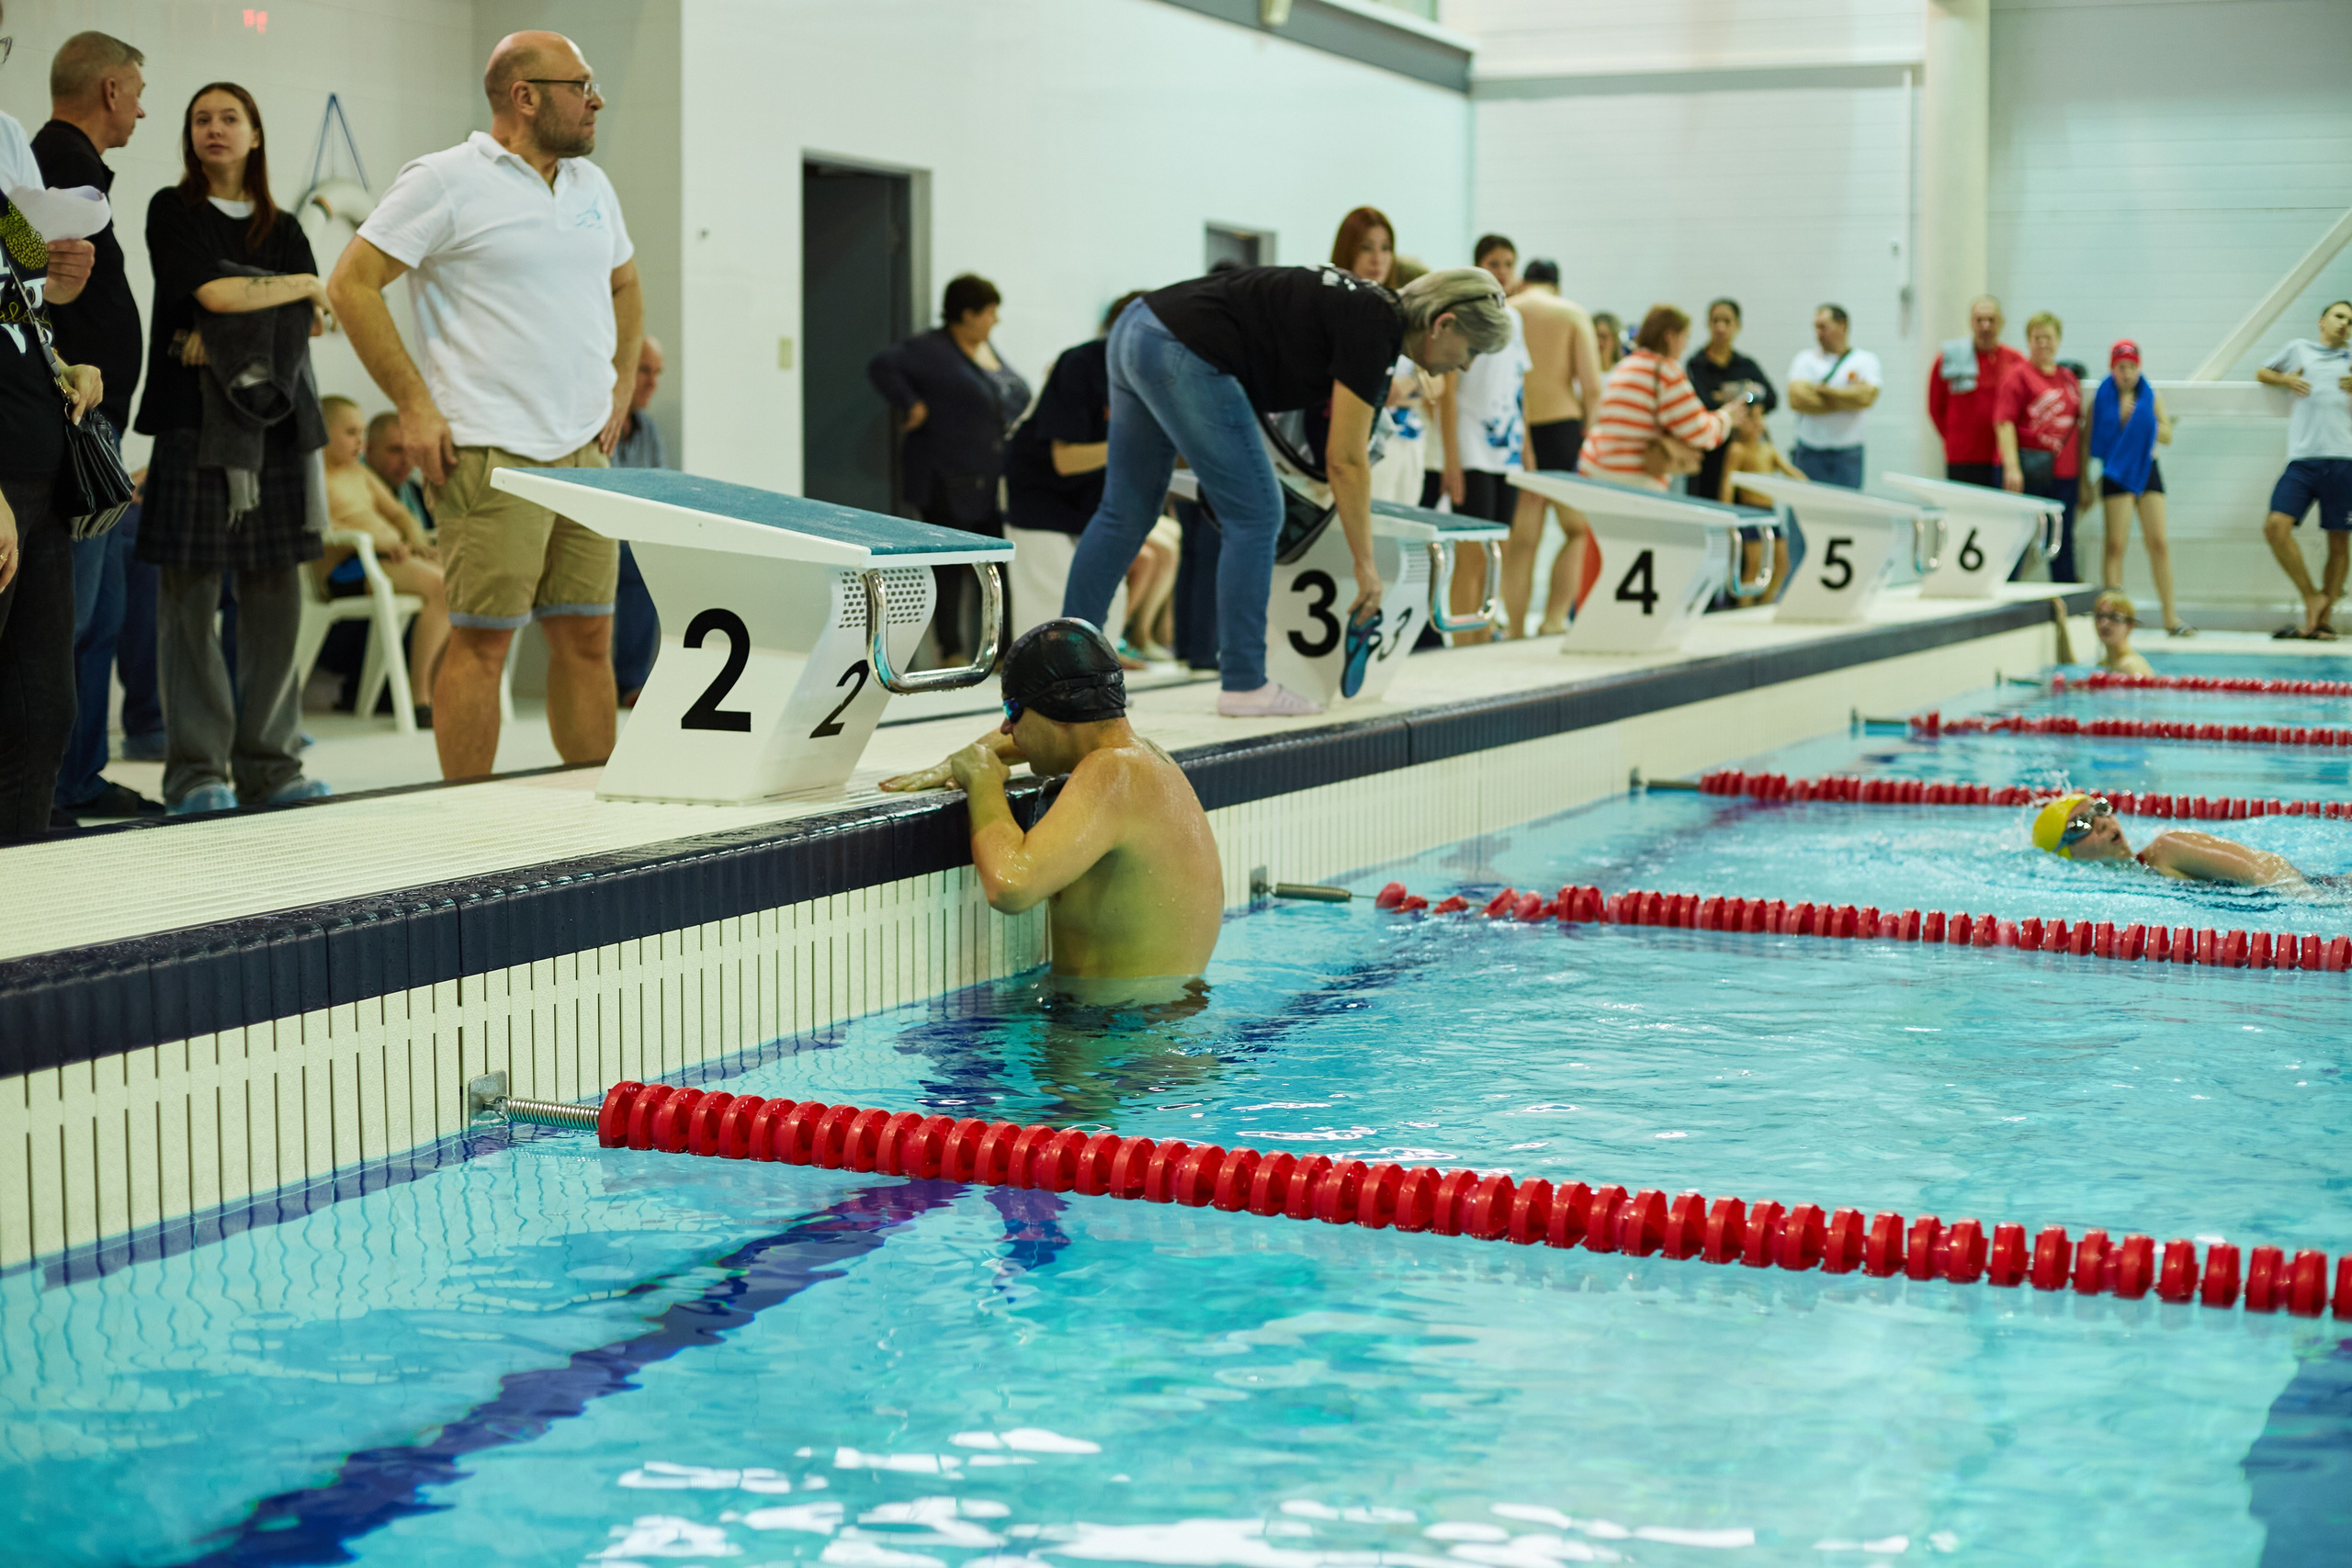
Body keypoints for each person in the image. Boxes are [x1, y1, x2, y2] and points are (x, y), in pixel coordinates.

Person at [329, 30, 642, 782]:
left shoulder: (592, 186)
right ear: (525, 97)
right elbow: (351, 285)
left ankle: (593, 814)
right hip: (491, 453)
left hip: (584, 453)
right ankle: (467, 824)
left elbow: (626, 285)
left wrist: (622, 384)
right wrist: (414, 405)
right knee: (483, 643)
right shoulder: (445, 180)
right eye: (580, 85)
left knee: (588, 640)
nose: (596, 100)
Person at [1058, 263, 1506, 716]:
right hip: (1182, 346)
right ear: (1443, 324)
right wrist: (1366, 565)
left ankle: (1069, 677)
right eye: (1471, 350)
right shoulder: (1376, 326)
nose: (1466, 364)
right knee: (1256, 514)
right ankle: (1244, 683)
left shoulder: (1364, 306)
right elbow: (1345, 460)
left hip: (1136, 326)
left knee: (1124, 512)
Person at [132, 82, 333, 816]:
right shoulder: (172, 209)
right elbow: (218, 296)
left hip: (275, 425)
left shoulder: (284, 226)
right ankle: (197, 772)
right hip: (193, 426)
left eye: (229, 118)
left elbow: (310, 325)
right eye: (200, 119)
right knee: (189, 600)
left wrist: (215, 335)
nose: (213, 129)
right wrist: (295, 287)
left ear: (256, 134)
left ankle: (272, 765)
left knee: (276, 598)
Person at [877, 619, 1223, 989]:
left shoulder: (1113, 772)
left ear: (1058, 711)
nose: (1006, 728)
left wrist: (982, 779)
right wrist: (966, 756)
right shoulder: (1145, 759)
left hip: (1116, 1024)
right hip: (1154, 1013)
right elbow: (1037, 736)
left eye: (1012, 709)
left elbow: (1011, 886)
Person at [34, 30, 158, 821]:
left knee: (100, 616)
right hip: (69, 425)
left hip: (97, 423)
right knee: (69, 621)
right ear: (111, 89)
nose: (142, 110)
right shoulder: (50, 161)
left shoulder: (70, 168)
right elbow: (33, 297)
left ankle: (78, 777)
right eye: (138, 93)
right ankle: (43, 790)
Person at [0, 0, 107, 844]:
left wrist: (62, 345)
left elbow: (19, 295)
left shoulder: (6, 134)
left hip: (37, 448)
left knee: (42, 706)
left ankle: (24, 876)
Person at [867, 273, 1030, 662]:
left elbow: (1013, 395)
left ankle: (1002, 650)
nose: (995, 320)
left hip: (987, 479)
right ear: (967, 314)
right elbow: (881, 366)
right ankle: (951, 649)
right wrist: (912, 404)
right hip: (944, 476)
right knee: (950, 566)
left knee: (996, 566)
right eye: (989, 312)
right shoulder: (929, 349)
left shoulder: (983, 349)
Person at [1004, 292, 1143, 644]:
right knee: (1049, 604)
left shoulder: (1150, 374)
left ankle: (1098, 670)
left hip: (1093, 502)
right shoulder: (1081, 364)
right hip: (1041, 497)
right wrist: (1136, 446)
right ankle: (1043, 675)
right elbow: (1065, 460)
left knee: (1112, 596)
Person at [317, 395, 447, 720]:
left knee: (461, 581)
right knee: (441, 586)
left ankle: (443, 689)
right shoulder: (314, 475)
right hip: (346, 568)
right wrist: (379, 543)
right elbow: (318, 529)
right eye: (350, 432)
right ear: (322, 432)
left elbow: (400, 513)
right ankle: (420, 697)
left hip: (385, 558)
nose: (359, 441)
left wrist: (416, 540)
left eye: (361, 432)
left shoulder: (358, 472)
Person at [1509, 257, 1606, 637]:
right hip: (1562, 429)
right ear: (1557, 286)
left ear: (1524, 281)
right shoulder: (1571, 313)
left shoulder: (1509, 311)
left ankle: (1515, 627)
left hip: (1520, 430)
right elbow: (1592, 387)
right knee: (1576, 531)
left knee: (1522, 540)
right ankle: (1553, 620)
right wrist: (1589, 437)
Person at [2254, 299, 2352, 639]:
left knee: (2339, 540)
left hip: (2343, 459)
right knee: (2275, 527)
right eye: (2339, 316)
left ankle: (2322, 621)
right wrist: (2285, 379)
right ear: (2322, 321)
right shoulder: (2299, 349)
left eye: (2350, 321)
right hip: (2302, 459)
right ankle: (2311, 595)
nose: (2344, 324)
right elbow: (2261, 372)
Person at [1578, 304, 1736, 493]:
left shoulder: (1625, 365)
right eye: (1685, 337)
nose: (1685, 345)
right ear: (1670, 337)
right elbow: (1700, 432)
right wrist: (1727, 418)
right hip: (1634, 479)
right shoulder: (1664, 371)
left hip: (1594, 470)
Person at [2088, 339, 2187, 634]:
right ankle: (2113, 619)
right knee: (2115, 546)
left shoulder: (2149, 396)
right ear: (2112, 369)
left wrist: (2143, 422)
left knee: (2159, 544)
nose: (2127, 373)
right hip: (2116, 470)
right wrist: (2119, 419)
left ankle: (2171, 618)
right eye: (2121, 367)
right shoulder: (2102, 398)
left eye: (2131, 367)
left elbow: (2167, 434)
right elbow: (2092, 441)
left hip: (2146, 468)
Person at [1437, 234, 1532, 529]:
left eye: (1509, 264)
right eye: (1494, 264)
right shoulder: (1463, 316)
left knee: (1501, 538)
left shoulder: (1515, 319)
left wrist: (1527, 451)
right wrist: (1451, 461)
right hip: (1472, 448)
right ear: (1478, 267)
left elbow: (1518, 390)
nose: (1502, 271)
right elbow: (1447, 394)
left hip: (1508, 450)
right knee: (1474, 540)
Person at [1994, 310, 2093, 581]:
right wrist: (2012, 467)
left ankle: (2064, 591)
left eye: (2048, 337)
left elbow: (2079, 428)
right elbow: (2004, 423)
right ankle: (2007, 590)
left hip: (2064, 473)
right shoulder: (2017, 376)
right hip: (2029, 469)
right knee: (2017, 535)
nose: (2043, 343)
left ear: (2058, 340)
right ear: (2029, 340)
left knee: (2063, 538)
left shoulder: (2068, 379)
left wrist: (2084, 478)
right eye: (2037, 338)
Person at [2033, 793, 2312, 888]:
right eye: (2081, 825)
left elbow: (2267, 867)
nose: (2103, 822)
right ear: (2063, 853)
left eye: (2100, 808)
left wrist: (2312, 900)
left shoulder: (2167, 848)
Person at [609, 333, 667, 704]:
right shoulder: (598, 425)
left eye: (658, 373)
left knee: (656, 558)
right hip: (601, 537)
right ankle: (629, 680)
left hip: (633, 538)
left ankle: (642, 678)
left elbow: (661, 493)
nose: (652, 382)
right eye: (645, 371)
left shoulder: (649, 430)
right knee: (640, 563)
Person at [1683, 299, 1777, 508]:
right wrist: (1742, 397)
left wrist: (1732, 399)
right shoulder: (1696, 364)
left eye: (1726, 321)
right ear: (1708, 324)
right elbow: (1702, 404)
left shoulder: (1746, 365)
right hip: (1709, 454)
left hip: (1741, 451)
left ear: (1737, 325)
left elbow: (1770, 398)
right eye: (1715, 321)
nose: (1720, 327)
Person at [1930, 295, 2029, 491]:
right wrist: (1954, 437)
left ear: (2001, 322)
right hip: (1962, 455)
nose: (1985, 326)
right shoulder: (1948, 359)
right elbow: (1935, 407)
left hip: (2001, 456)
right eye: (1980, 320)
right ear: (1971, 322)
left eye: (1991, 320)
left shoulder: (2015, 361)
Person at [1719, 398, 1807, 604]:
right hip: (1750, 514)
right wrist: (1726, 513)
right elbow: (1728, 483)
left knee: (1782, 565)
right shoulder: (1738, 450)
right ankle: (1744, 607)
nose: (1759, 423)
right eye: (1754, 418)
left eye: (1762, 417)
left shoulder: (1768, 450)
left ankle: (1765, 603)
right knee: (1754, 566)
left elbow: (1789, 470)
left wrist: (1809, 486)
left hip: (1770, 513)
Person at [1784, 303, 1880, 490]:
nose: (1818, 333)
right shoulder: (1804, 360)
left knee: (1846, 507)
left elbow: (1865, 398)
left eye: (1823, 327)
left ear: (1842, 326)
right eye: (1816, 327)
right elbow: (1797, 400)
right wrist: (1847, 398)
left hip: (1848, 454)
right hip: (1810, 452)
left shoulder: (1864, 361)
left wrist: (1824, 392)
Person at [364, 410, 432, 531]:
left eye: (411, 450)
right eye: (396, 450)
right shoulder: (351, 492)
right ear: (369, 451)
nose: (407, 460)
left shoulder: (417, 493)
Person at [2088, 588, 2154, 676]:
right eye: (2099, 616)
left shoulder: (2130, 666)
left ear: (2130, 626)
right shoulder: (2104, 663)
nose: (2104, 623)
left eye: (2114, 617)